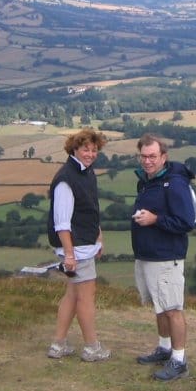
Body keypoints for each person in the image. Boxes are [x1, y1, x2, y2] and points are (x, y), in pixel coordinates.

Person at [131, 133, 196, 381]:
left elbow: (186, 222)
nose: (147, 161)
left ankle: (179, 361)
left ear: (163, 157)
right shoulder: (147, 181)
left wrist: (155, 219)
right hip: (147, 255)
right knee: (160, 307)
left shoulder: (175, 183)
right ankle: (164, 348)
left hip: (167, 257)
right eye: (143, 156)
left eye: (152, 156)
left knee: (172, 309)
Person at [46, 128, 111, 362]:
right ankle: (92, 348)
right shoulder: (66, 179)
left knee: (72, 296)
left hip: (84, 244)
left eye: (94, 150)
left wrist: (98, 237)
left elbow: (90, 209)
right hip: (76, 249)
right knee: (86, 297)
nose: (90, 154)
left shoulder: (85, 172)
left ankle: (58, 345)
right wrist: (70, 256)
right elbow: (61, 223)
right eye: (86, 149)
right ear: (74, 148)